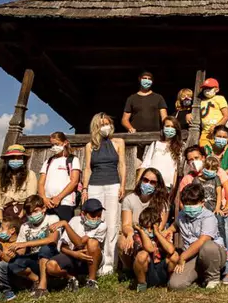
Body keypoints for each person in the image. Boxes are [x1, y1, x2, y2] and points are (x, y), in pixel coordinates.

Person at [82, 112, 126, 277]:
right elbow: (87, 169)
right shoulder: (90, 146)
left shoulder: (118, 142)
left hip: (113, 184)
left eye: (107, 123)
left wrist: (122, 185)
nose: (105, 127)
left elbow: (122, 165)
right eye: (101, 125)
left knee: (112, 222)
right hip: (95, 185)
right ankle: (95, 260)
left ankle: (109, 263)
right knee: (95, 223)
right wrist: (85, 189)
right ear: (96, 127)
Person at [169, 183, 227, 290]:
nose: (190, 207)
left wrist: (182, 257)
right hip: (191, 256)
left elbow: (203, 241)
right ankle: (200, 276)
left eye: (193, 204)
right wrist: (166, 232)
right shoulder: (182, 215)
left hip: (213, 254)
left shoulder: (208, 216)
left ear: (202, 203)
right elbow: (175, 225)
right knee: (175, 285)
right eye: (187, 204)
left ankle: (213, 278)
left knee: (207, 246)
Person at [46, 199, 107, 291]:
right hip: (73, 257)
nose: (96, 218)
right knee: (51, 266)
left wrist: (65, 224)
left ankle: (92, 280)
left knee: (92, 243)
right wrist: (74, 254)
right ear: (83, 214)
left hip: (90, 260)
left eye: (99, 215)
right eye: (93, 215)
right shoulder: (75, 220)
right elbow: (63, 247)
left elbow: (80, 243)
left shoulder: (102, 225)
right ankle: (71, 278)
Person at [10, 195, 62, 298]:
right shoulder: (25, 226)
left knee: (45, 249)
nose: (32, 215)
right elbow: (22, 250)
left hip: (52, 255)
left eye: (35, 211)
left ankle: (42, 287)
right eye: (29, 213)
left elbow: (52, 240)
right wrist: (13, 251)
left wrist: (25, 244)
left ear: (43, 209)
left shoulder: (53, 218)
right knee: (14, 264)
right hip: (35, 257)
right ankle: (36, 280)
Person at [119, 168, 170, 273]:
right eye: (145, 180)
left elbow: (159, 228)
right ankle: (129, 270)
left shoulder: (162, 203)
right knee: (121, 241)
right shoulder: (129, 199)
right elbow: (126, 224)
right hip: (135, 233)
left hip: (153, 236)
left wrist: (144, 235)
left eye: (152, 182)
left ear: (157, 185)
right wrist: (130, 234)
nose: (148, 184)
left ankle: (148, 269)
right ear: (141, 180)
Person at [197, 156, 228, 284]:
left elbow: (218, 194)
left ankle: (223, 249)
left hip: (214, 210)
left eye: (213, 169)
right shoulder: (197, 180)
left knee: (220, 224)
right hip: (202, 212)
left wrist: (217, 208)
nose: (210, 171)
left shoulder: (216, 179)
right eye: (207, 168)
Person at [133, 207, 178, 291]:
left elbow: (171, 250)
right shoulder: (138, 235)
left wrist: (157, 233)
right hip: (149, 270)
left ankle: (170, 283)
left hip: (161, 268)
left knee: (174, 255)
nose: (149, 231)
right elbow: (150, 249)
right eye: (146, 228)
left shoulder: (163, 234)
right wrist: (142, 232)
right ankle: (142, 285)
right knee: (142, 255)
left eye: (152, 228)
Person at [38, 132, 81, 222]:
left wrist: (58, 197)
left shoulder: (73, 160)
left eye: (57, 144)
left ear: (65, 143)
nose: (54, 147)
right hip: (48, 203)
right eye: (52, 145)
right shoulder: (48, 161)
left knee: (64, 229)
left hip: (65, 202)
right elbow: (41, 182)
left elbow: (74, 181)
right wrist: (44, 198)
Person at [0, 144, 36, 226]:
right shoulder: (0, 176)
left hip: (23, 212)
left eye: (18, 158)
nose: (15, 160)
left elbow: (30, 199)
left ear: (23, 160)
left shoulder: (30, 175)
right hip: (3, 212)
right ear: (7, 160)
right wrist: (1, 221)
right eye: (12, 158)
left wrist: (19, 219)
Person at [139, 117, 182, 191]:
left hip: (167, 186)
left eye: (172, 127)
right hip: (151, 183)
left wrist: (174, 188)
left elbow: (176, 170)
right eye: (167, 126)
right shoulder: (155, 144)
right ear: (163, 128)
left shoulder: (180, 147)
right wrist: (138, 182)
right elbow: (145, 164)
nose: (170, 129)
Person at [199, 78, 228, 149]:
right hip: (205, 132)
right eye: (205, 88)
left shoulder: (220, 98)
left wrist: (216, 126)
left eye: (209, 88)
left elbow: (226, 116)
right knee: (204, 149)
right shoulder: (200, 101)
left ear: (217, 89)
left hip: (218, 133)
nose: (206, 90)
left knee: (219, 151)